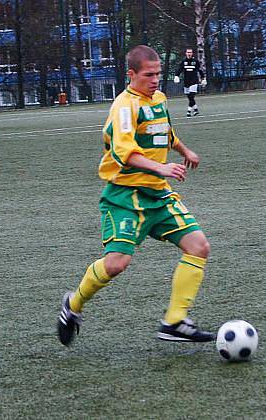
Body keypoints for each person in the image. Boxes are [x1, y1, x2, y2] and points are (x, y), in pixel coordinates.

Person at [57, 45, 214, 346]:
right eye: (148, 75)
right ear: (131, 74)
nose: (155, 80)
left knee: (199, 246)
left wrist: (184, 150)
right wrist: (163, 167)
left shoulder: (159, 98)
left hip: (157, 195)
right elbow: (125, 153)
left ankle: (175, 320)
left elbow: (165, 132)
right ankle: (72, 305)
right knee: (116, 263)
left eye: (158, 74)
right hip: (125, 197)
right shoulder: (124, 106)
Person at [174, 48, 206, 117]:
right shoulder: (183, 61)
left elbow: (200, 70)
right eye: (188, 52)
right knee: (189, 97)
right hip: (186, 82)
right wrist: (176, 76)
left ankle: (188, 111)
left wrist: (203, 78)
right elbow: (179, 69)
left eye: (190, 52)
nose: (189, 53)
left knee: (191, 96)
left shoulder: (195, 61)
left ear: (192, 53)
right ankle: (196, 110)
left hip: (194, 81)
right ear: (186, 53)